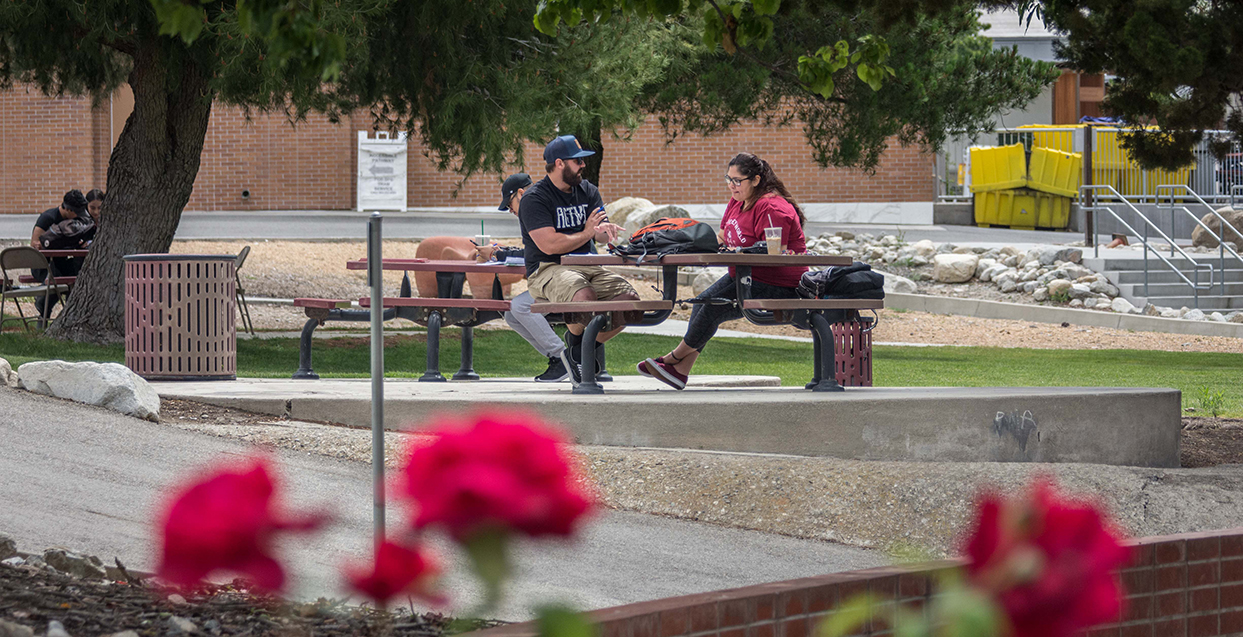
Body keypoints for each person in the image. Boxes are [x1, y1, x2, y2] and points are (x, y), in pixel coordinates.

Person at [639, 152, 809, 390]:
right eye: (728, 179)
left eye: (737, 180)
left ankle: (673, 358)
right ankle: (679, 372)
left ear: (756, 180)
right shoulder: (737, 201)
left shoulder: (772, 207)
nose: (731, 185)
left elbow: (775, 251)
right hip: (745, 276)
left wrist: (739, 252)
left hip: (781, 283)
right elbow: (722, 236)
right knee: (701, 303)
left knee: (712, 308)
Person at [518, 135, 636, 386]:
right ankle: (580, 352)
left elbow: (599, 232)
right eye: (577, 161)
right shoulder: (535, 198)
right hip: (548, 269)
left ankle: (577, 349)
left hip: (589, 265)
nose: (583, 166)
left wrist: (605, 231)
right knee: (582, 296)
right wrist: (586, 233)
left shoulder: (588, 190)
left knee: (630, 302)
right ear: (559, 163)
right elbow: (549, 244)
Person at [474, 172, 570, 382]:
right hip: (555, 277)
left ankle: (564, 357)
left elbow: (539, 253)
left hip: (564, 279)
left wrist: (496, 254)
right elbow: (534, 251)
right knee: (512, 313)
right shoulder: (540, 205)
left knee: (520, 306)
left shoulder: (538, 208)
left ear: (521, 193)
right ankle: (558, 358)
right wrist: (503, 252)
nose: (512, 212)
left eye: (510, 205)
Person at [29, 189, 90, 319]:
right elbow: (34, 246)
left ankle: (70, 313)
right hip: (44, 267)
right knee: (59, 277)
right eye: (77, 213)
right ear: (68, 210)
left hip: (62, 264)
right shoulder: (48, 217)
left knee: (78, 274)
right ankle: (43, 306)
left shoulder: (77, 220)